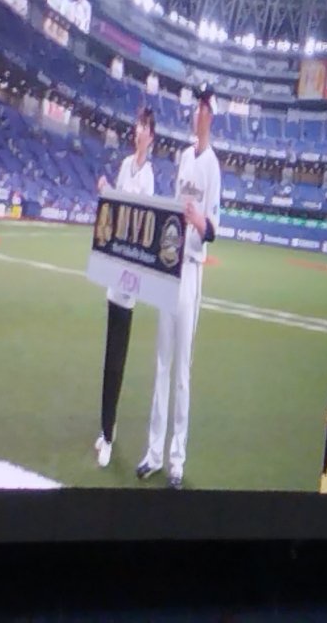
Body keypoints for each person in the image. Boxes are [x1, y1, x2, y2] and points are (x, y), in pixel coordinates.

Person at [138, 85, 223, 489]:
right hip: (171, 265)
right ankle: (154, 453)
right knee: (161, 363)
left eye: (204, 108)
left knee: (182, 371)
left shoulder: (212, 166)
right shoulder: (185, 157)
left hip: (191, 270)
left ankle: (176, 460)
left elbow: (213, 229)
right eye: (196, 107)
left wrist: (197, 220)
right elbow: (175, 207)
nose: (198, 113)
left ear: (211, 116)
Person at [93, 107, 156, 468]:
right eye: (137, 126)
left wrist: (114, 194)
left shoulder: (147, 175)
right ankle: (106, 426)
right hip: (115, 271)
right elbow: (117, 212)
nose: (138, 131)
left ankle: (107, 434)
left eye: (144, 127)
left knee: (117, 359)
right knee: (108, 357)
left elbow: (141, 218)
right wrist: (107, 192)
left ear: (152, 136)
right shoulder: (125, 165)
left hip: (131, 278)